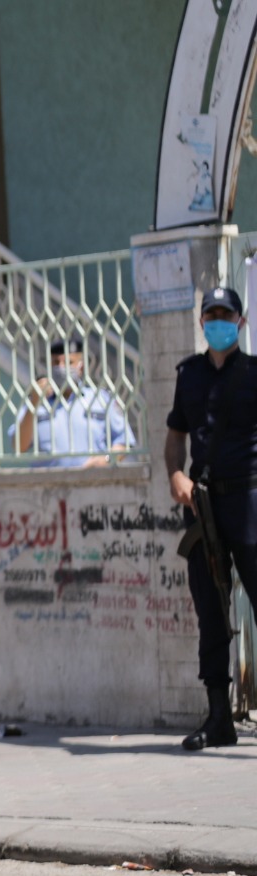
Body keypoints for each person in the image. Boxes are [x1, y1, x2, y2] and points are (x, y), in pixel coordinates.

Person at [164, 286, 250, 752]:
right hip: (204, 508)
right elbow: (175, 436)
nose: (218, 322)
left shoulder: (253, 374)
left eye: (226, 315)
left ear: (240, 321)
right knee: (211, 612)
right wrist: (176, 474)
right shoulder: (189, 375)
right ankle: (219, 718)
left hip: (250, 502)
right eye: (211, 314)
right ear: (201, 322)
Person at [10, 336, 136, 467]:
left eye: (68, 362)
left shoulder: (100, 399)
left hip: (94, 478)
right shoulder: (37, 402)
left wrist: (105, 460)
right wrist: (34, 402)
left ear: (81, 367)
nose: (61, 367)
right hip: (50, 479)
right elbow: (19, 446)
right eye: (56, 362)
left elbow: (124, 440)